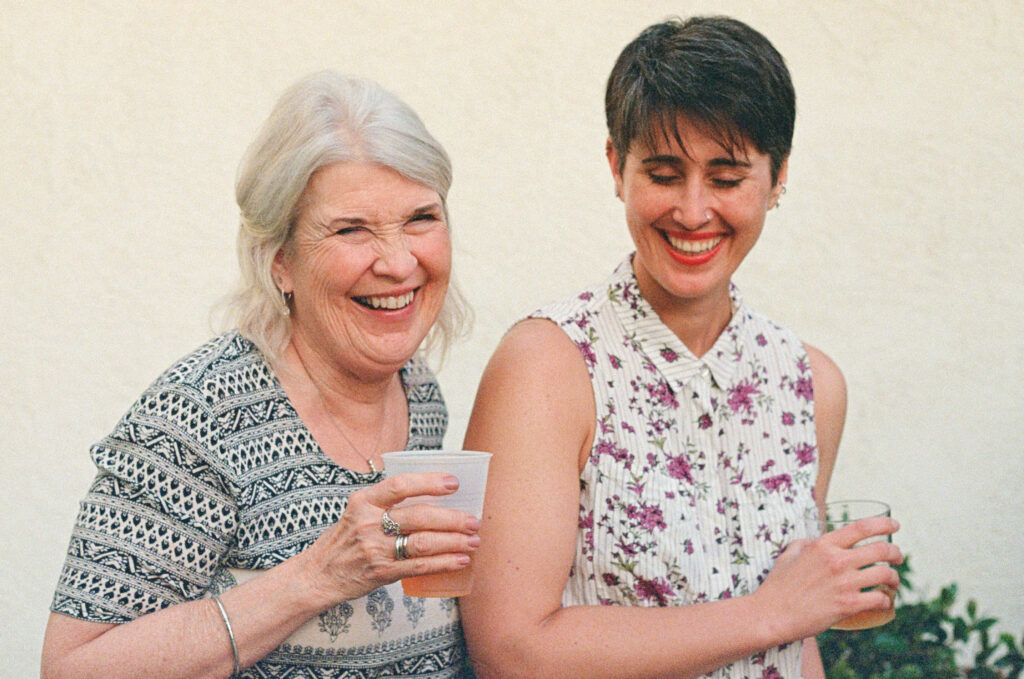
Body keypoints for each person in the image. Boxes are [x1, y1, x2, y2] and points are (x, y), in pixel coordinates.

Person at [460, 16, 903, 679]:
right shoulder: (547, 366)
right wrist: (775, 610)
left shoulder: (811, 383)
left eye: (726, 178)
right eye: (664, 174)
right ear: (616, 166)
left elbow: (798, 641)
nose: (693, 212)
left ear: (778, 177)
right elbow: (512, 650)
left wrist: (804, 612)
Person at [41, 70, 479, 679]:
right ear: (281, 264)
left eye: (421, 219)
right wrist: (317, 576)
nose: (400, 262)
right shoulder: (197, 416)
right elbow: (74, 668)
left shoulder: (419, 392)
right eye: (352, 229)